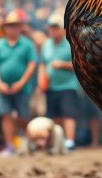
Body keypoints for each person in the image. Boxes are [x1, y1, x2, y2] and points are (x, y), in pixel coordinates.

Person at [0, 9, 37, 156]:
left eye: (16, 25)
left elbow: (32, 64)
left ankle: (28, 143)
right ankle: (10, 145)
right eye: (10, 25)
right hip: (2, 88)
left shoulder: (27, 44)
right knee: (6, 115)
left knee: (23, 117)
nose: (13, 28)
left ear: (20, 27)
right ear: (5, 28)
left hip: (22, 88)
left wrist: (22, 82)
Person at [39, 13, 80, 151]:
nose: (52, 30)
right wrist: (41, 80)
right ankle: (55, 143)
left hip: (68, 85)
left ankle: (69, 142)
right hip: (51, 86)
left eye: (55, 27)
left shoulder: (71, 43)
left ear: (63, 29)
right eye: (51, 27)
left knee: (68, 113)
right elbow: (43, 64)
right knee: (53, 116)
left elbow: (78, 65)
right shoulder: (46, 45)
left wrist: (62, 64)